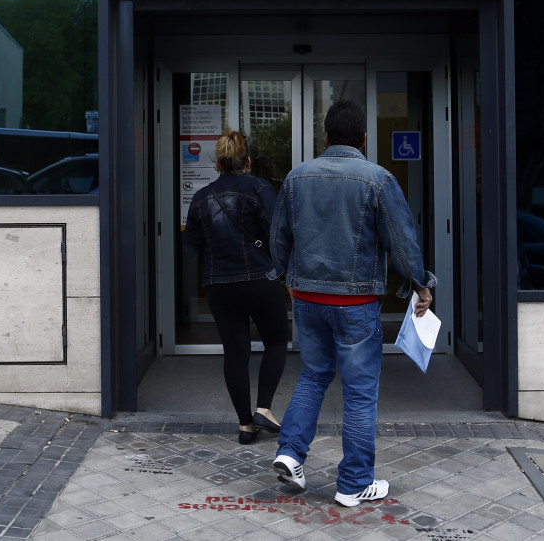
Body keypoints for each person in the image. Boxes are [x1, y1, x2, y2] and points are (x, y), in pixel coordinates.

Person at [268, 99, 436, 507]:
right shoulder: (377, 179)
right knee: (360, 392)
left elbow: (278, 239)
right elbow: (402, 240)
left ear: (325, 137)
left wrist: (286, 276)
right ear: (363, 138)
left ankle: (290, 453)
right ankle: (354, 482)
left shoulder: (296, 177)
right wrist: (421, 285)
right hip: (355, 302)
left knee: (313, 374)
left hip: (307, 300)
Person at [184, 131, 290, 444]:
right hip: (260, 279)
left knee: (235, 351)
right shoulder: (260, 187)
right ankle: (264, 409)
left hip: (219, 284)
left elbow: (191, 244)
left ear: (217, 163)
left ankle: (246, 425)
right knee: (276, 341)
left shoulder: (201, 197)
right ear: (246, 161)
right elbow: (277, 233)